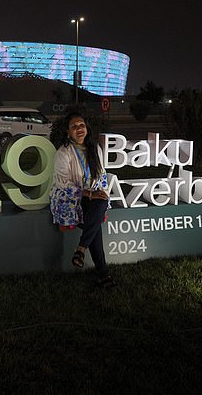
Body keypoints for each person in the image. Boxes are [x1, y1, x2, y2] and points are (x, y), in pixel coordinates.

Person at [49, 112, 115, 287]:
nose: (79, 129)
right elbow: (63, 183)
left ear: (87, 128)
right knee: (94, 222)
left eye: (82, 125)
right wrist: (89, 194)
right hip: (68, 197)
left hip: (91, 196)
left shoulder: (95, 149)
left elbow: (101, 176)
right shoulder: (63, 152)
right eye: (74, 126)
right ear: (68, 131)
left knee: (101, 202)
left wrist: (98, 193)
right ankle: (102, 272)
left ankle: (81, 250)